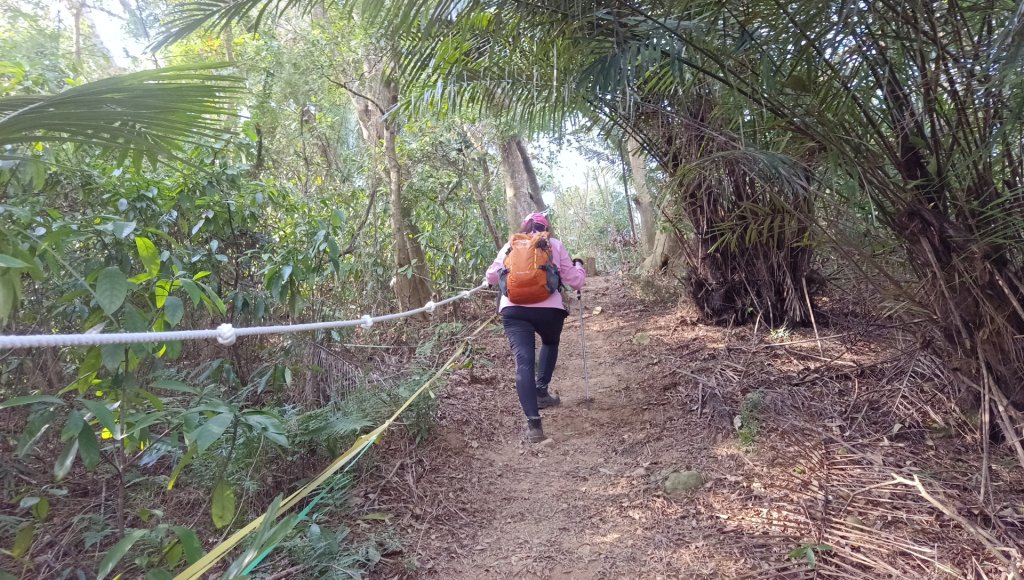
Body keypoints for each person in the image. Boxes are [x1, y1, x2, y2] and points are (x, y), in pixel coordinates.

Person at [485, 212, 586, 442]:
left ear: (525, 226)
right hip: (549, 310)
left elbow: (491, 277)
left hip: (514, 309)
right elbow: (575, 280)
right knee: (550, 342)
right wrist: (579, 266)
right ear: (545, 227)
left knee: (524, 362)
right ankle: (541, 390)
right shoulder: (554, 244)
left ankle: (534, 425)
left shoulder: (510, 245)